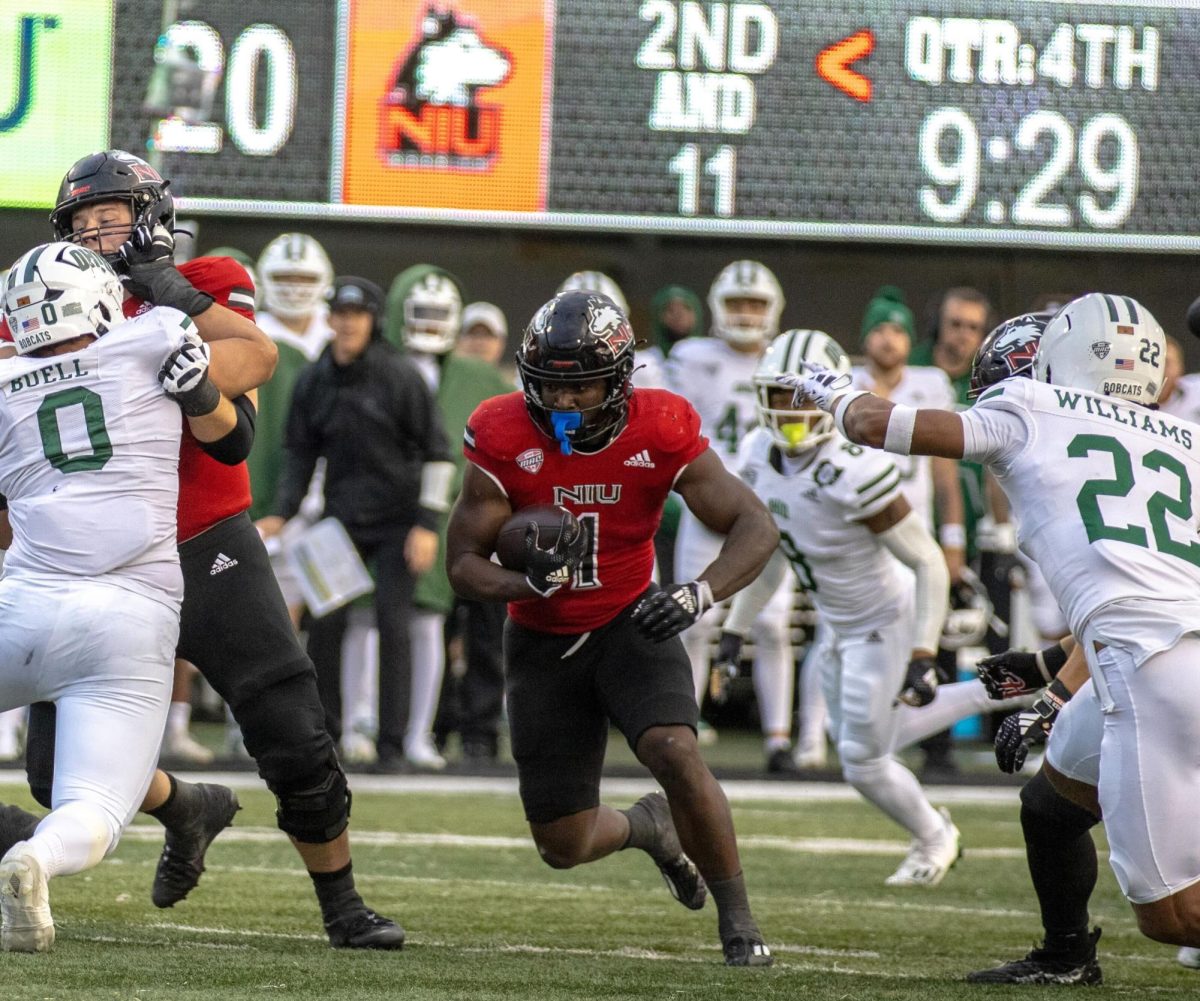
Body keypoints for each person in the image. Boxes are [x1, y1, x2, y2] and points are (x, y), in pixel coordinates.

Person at [0, 150, 404, 951]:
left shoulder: (208, 282)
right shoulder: (37, 296)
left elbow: (237, 400)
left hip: (202, 537)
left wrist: (160, 295)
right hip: (82, 569)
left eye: (110, 214)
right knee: (53, 773)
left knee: (289, 723)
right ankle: (184, 805)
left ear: (151, 216)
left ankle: (342, 901)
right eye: (81, 222)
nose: (95, 231)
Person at [788, 292, 1200, 955]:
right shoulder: (1186, 436)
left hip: (1144, 671)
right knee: (1051, 804)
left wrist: (835, 390)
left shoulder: (1034, 407)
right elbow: (1146, 595)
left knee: (1172, 917)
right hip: (1153, 648)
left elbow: (875, 424)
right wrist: (1045, 672)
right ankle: (1066, 956)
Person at [445, 289, 778, 965]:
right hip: (541, 639)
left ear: (622, 379)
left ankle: (738, 919)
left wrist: (698, 593)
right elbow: (461, 564)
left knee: (676, 751)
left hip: (632, 620)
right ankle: (648, 828)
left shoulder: (660, 426)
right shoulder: (502, 430)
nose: (564, 403)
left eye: (583, 386)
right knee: (562, 845)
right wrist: (525, 583)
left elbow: (755, 523)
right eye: (550, 387)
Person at [721, 329, 1018, 885]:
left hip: (882, 619)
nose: (789, 409)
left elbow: (928, 561)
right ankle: (1002, 685)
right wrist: (737, 628)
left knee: (863, 758)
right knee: (874, 735)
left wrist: (925, 651)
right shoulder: (758, 455)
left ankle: (935, 835)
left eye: (803, 395)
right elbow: (775, 553)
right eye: (779, 395)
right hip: (840, 620)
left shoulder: (852, 469)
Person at [0, 241, 232, 950]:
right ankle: (33, 856)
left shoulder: (3, 380)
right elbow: (229, 431)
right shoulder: (155, 334)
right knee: (95, 807)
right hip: (130, 615)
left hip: (24, 604)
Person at [260, 276, 453, 773]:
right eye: (340, 314)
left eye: (357, 315)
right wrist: (282, 512)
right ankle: (328, 737)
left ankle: (393, 746)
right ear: (330, 318)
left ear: (373, 321)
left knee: (394, 623)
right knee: (326, 626)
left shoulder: (400, 376)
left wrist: (427, 523)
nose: (347, 324)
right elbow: (300, 453)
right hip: (341, 517)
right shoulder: (315, 379)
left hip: (397, 520)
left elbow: (438, 453)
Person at [666, 260, 795, 765]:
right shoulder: (693, 357)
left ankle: (779, 739)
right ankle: (684, 735)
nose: (745, 314)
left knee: (773, 625)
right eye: (737, 303)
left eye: (755, 304)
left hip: (764, 507)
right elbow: (677, 432)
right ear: (718, 307)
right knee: (693, 620)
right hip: (708, 508)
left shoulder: (788, 358)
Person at [385, 264, 513, 767]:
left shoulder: (483, 383)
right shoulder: (402, 371)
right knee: (395, 624)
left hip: (472, 519)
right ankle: (402, 728)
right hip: (407, 516)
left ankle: (462, 732)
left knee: (463, 630)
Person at [909, 286, 996, 776]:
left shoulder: (991, 381)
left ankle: (936, 744)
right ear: (936, 325)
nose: (962, 336)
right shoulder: (915, 370)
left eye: (972, 327)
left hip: (961, 527)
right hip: (904, 521)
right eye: (955, 324)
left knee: (944, 637)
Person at [248, 232, 335, 628]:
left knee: (335, 617)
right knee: (268, 610)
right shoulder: (250, 335)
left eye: (304, 280)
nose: (295, 290)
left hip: (336, 496)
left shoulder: (338, 337)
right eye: (285, 278)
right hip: (271, 495)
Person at [455, 301, 507, 367]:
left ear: (501, 342)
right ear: (456, 340)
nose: (479, 342)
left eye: (487, 335)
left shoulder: (519, 376)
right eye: (473, 333)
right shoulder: (439, 376)